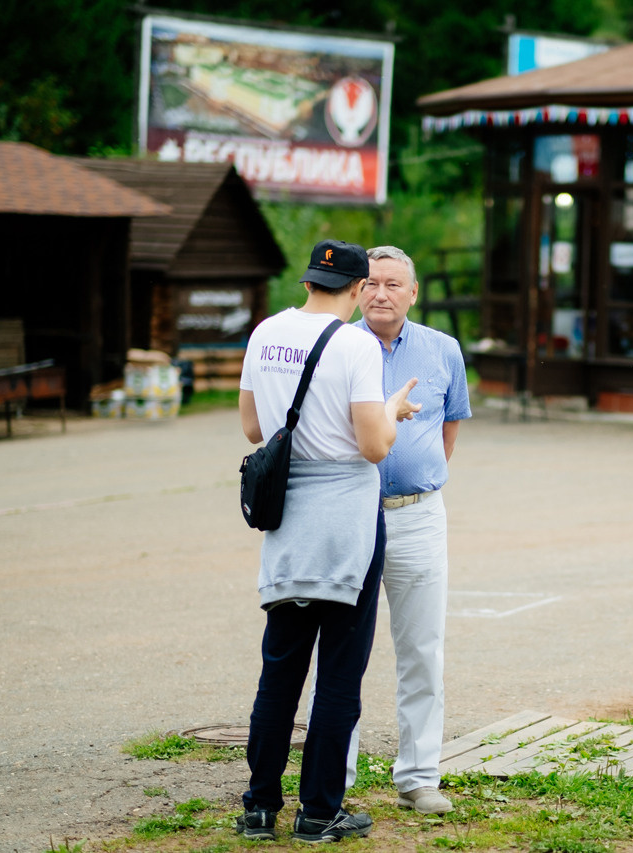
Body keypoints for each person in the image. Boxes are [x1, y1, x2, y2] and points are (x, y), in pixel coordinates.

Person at [235, 239, 420, 842]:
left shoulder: (264, 333)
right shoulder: (357, 345)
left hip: (287, 519)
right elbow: (373, 445)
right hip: (346, 521)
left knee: (280, 668)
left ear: (308, 280)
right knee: (339, 674)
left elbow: (254, 425)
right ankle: (318, 813)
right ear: (362, 288)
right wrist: (391, 409)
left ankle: (260, 807)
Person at [348, 244, 472, 815]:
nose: (381, 293)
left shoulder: (443, 350)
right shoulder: (339, 348)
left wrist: (420, 475)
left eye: (393, 284)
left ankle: (419, 777)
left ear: (413, 292)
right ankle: (336, 775)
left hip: (419, 516)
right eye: (371, 283)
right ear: (356, 288)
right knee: (342, 651)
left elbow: (448, 430)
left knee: (422, 649)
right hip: (349, 514)